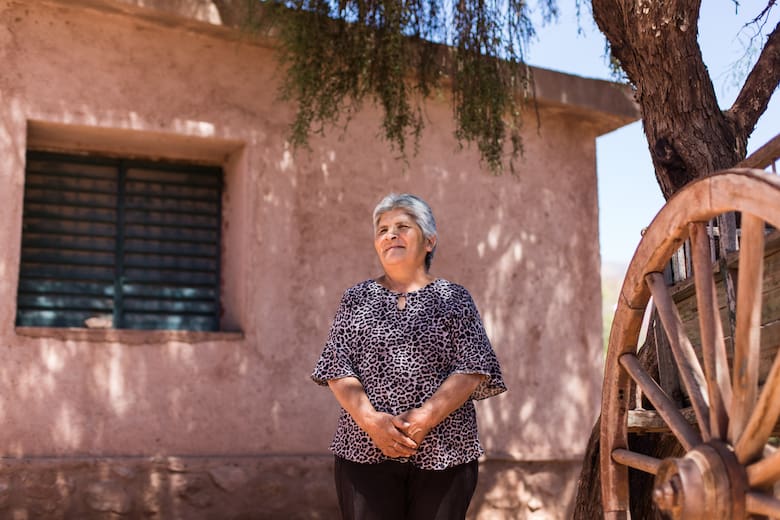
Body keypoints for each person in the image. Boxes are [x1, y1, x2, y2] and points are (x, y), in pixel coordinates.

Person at [311, 193, 506, 520]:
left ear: (429, 241)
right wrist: (373, 423)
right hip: (362, 451)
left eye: (402, 226)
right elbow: (336, 366)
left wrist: (424, 418)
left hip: (445, 453)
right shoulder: (356, 298)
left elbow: (473, 367)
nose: (390, 235)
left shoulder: (454, 298)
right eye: (382, 230)